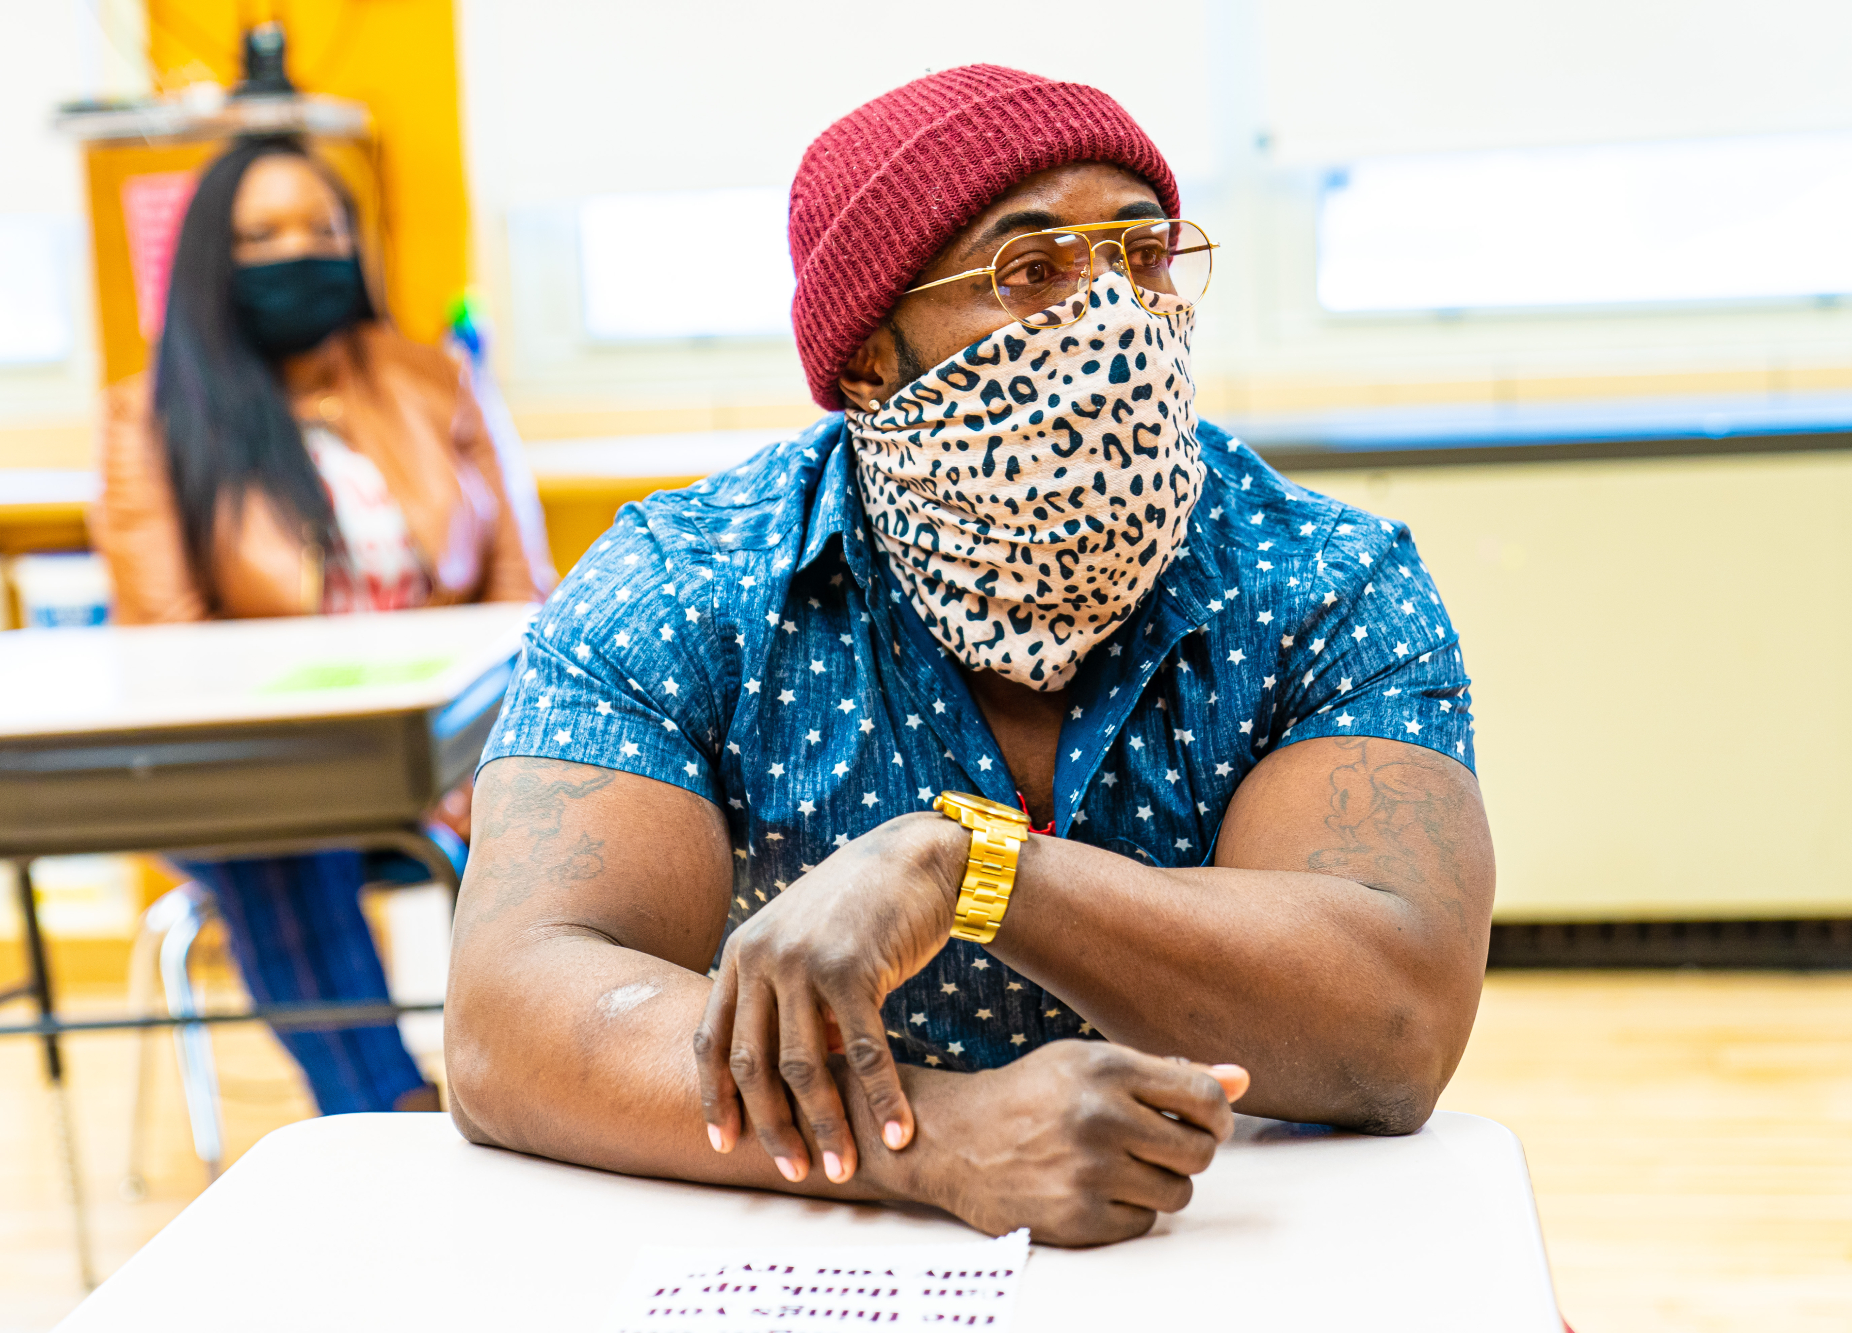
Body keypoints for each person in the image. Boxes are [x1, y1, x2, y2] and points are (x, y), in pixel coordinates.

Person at [445, 65, 1493, 1244]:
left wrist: (974, 869)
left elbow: (1392, 1025)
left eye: (1141, 257)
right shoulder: (688, 588)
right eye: (1031, 271)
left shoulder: (1322, 581)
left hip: (1251, 1230)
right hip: (805, 1241)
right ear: (866, 363)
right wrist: (936, 1142)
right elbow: (506, 1019)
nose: (1111, 321)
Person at [91, 135, 552, 1115]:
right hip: (241, 768)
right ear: (216, 259)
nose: (300, 249)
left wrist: (483, 754)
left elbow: (520, 591)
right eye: (262, 234)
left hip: (436, 758)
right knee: (276, 822)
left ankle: (534, 1094)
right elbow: (169, 639)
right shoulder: (151, 417)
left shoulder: (437, 380)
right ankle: (387, 1111)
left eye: (322, 226)